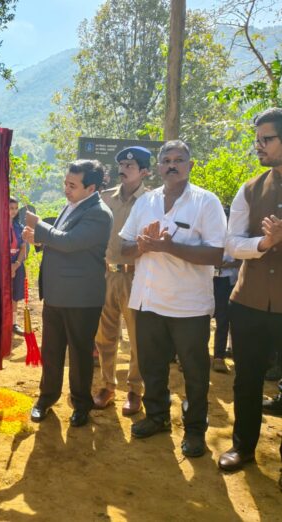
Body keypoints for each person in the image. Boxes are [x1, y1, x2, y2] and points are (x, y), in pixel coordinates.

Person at [120, 140, 227, 458]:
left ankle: (194, 430)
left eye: (179, 160)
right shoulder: (145, 202)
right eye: (166, 160)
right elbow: (123, 248)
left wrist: (169, 247)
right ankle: (157, 417)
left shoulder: (206, 202)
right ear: (158, 167)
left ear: (190, 165)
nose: (172, 165)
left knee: (195, 373)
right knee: (152, 367)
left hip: (189, 306)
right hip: (148, 301)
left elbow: (216, 254)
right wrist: (141, 246)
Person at [22, 159, 113, 427]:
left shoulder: (99, 213)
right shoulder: (73, 204)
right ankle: (46, 398)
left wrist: (39, 226)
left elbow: (70, 242)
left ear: (91, 188)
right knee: (51, 352)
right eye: (65, 183)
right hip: (57, 294)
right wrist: (39, 239)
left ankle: (81, 404)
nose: (66, 189)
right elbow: (61, 241)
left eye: (72, 185)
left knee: (80, 355)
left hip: (81, 298)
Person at [218, 108, 282, 483]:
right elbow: (232, 243)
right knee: (247, 380)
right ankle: (242, 446)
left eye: (267, 139)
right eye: (256, 139)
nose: (259, 146)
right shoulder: (250, 189)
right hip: (248, 303)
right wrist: (265, 243)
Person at [93, 146, 150, 416]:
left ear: (144, 172)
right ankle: (107, 385)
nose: (124, 169)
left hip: (136, 276)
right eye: (122, 165)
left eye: (131, 166)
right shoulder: (105, 198)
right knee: (105, 335)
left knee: (137, 337)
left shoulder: (151, 201)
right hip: (106, 274)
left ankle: (135, 390)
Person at [212, 208, 240, 374]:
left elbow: (241, 260)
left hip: (226, 281)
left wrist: (227, 264)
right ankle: (192, 355)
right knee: (202, 317)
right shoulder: (209, 232)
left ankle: (219, 356)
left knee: (223, 319)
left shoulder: (234, 236)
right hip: (208, 279)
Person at [10, 196, 27, 336]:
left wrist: (15, 265)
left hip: (17, 264)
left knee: (15, 296)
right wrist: (7, 267)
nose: (14, 211)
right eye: (11, 208)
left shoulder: (19, 227)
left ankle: (13, 323)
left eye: (16, 208)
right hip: (1, 267)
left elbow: (23, 248)